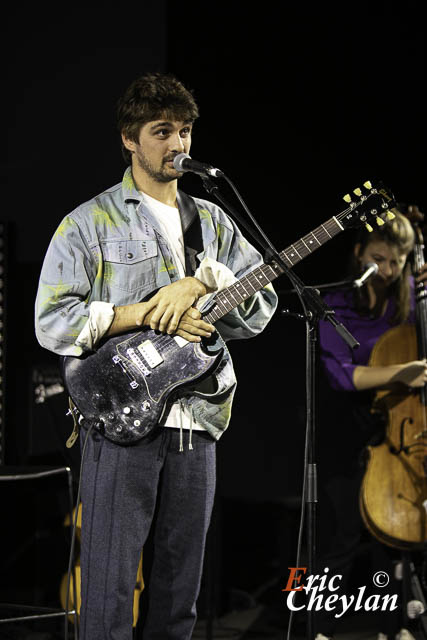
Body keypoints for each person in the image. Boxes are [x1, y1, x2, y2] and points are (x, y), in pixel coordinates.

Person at [34, 72, 277, 640]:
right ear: (130, 139)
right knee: (109, 595)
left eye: (185, 131)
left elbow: (260, 307)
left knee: (179, 599)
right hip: (121, 427)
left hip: (199, 421)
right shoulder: (89, 223)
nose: (178, 145)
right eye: (162, 131)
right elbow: (52, 321)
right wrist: (142, 313)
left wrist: (205, 286)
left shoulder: (213, 221)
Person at [314, 209, 427, 640]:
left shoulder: (410, 298)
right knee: (340, 534)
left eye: (397, 262)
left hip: (399, 430)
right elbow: (342, 375)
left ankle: (395, 627)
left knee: (394, 540)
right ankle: (320, 629)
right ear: (359, 251)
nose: (387, 270)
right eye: (379, 258)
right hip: (346, 426)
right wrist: (400, 373)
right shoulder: (335, 303)